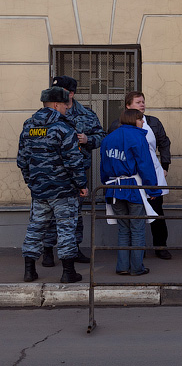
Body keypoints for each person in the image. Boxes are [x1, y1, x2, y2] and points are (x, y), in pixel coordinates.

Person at [19, 87, 87, 283]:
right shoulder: (63, 128)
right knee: (66, 230)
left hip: (39, 190)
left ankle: (29, 271)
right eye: (66, 105)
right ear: (57, 105)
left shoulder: (28, 126)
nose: (67, 108)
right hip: (63, 190)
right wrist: (81, 184)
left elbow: (22, 160)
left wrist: (31, 182)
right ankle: (68, 272)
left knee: (35, 228)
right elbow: (73, 161)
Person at [43, 75, 103, 266]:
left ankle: (74, 249)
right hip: (49, 173)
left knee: (75, 213)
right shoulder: (46, 114)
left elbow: (101, 135)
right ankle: (47, 251)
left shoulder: (86, 114)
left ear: (71, 93)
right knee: (48, 215)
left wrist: (88, 140)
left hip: (76, 174)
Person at [111, 91, 173, 261]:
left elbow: (164, 143)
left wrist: (165, 165)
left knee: (157, 212)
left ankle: (161, 246)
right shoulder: (118, 125)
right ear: (128, 106)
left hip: (153, 172)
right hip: (130, 176)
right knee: (134, 213)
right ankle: (138, 249)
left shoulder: (154, 122)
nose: (142, 104)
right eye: (138, 102)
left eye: (143, 101)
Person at [100, 108, 161, 276]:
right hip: (133, 187)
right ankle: (137, 267)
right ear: (134, 120)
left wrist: (106, 184)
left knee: (123, 229)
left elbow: (103, 167)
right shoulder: (138, 137)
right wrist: (153, 190)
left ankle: (122, 266)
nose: (143, 123)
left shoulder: (108, 138)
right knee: (137, 229)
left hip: (113, 189)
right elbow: (145, 166)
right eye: (141, 119)